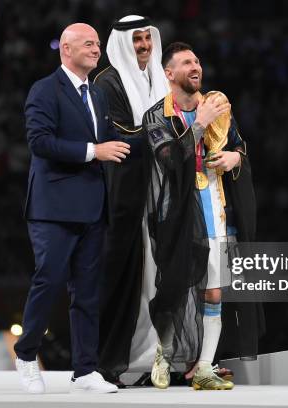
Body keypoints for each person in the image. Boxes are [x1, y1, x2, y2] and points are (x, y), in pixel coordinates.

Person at [14, 23, 130, 395]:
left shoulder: (96, 94)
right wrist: (93, 152)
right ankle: (27, 355)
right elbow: (40, 141)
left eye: (98, 44)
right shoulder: (45, 89)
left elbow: (112, 141)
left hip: (92, 207)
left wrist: (173, 128)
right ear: (66, 48)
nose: (97, 49)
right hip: (54, 207)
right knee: (48, 280)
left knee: (87, 291)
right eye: (89, 44)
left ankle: (85, 369)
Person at [142, 42, 258, 390]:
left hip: (215, 209)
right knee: (174, 287)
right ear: (169, 73)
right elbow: (168, 160)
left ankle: (205, 366)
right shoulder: (156, 115)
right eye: (186, 62)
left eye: (197, 61)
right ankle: (164, 351)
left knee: (215, 291)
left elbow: (239, 145)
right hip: (176, 214)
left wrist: (235, 160)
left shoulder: (219, 107)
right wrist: (199, 125)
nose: (196, 66)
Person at [93, 15, 169, 386]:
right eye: (136, 40)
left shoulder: (160, 78)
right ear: (123, 43)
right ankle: (122, 363)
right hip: (126, 197)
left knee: (159, 279)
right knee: (129, 279)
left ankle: (161, 361)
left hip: (162, 194)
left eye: (146, 38)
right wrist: (176, 134)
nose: (143, 45)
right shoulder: (107, 83)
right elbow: (122, 137)